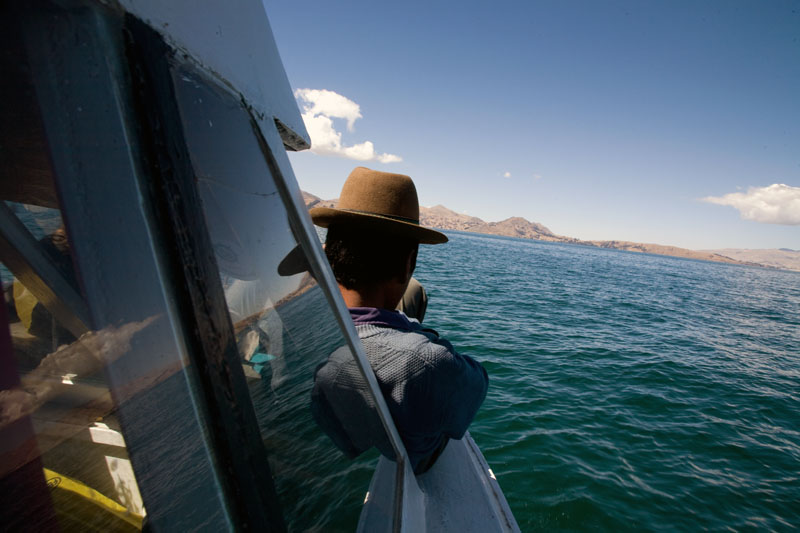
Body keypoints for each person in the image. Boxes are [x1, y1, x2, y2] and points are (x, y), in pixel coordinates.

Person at [309, 166, 488, 474]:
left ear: (330, 252)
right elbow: (477, 384)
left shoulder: (298, 322)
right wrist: (413, 331)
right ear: (408, 264)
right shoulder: (426, 363)